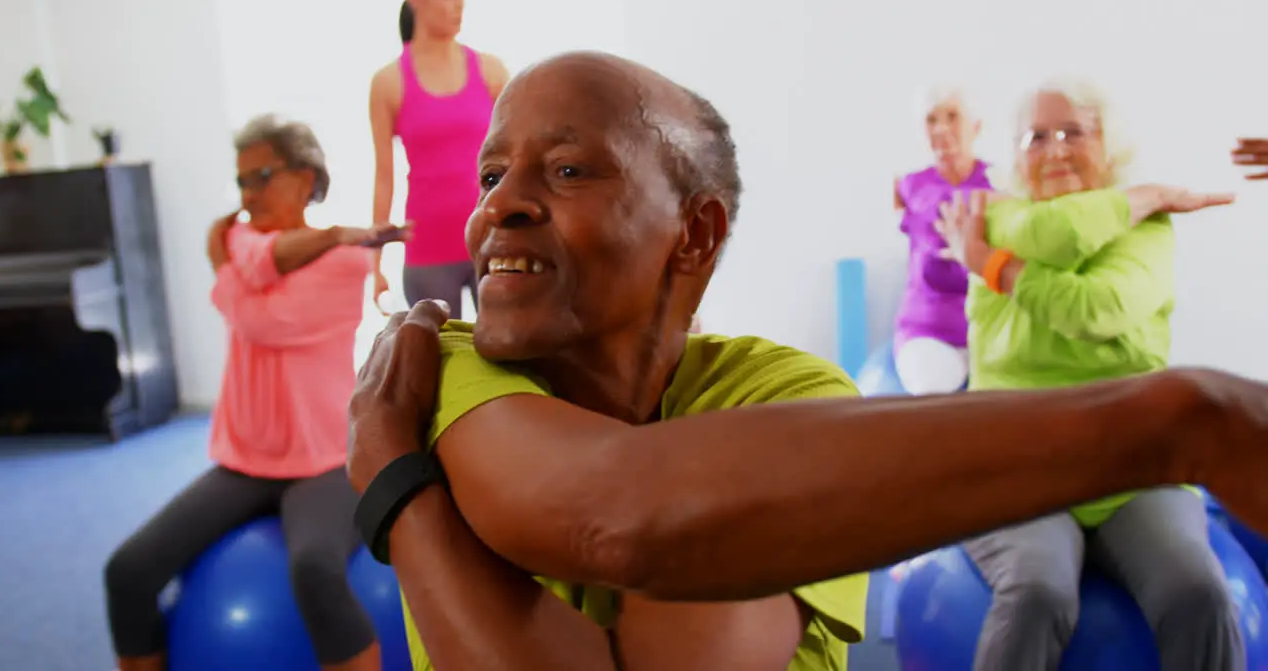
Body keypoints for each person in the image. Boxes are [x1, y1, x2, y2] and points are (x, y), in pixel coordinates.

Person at [345, 52, 1268, 671]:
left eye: (569, 169)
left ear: (693, 234)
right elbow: (616, 514)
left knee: (1192, 588)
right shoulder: (447, 357)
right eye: (489, 174)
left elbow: (627, 515)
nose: (498, 204)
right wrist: (1176, 421)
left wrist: (396, 478)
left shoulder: (787, 396)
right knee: (1034, 592)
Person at [937, 80, 1241, 670]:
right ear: (1015, 156)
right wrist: (1141, 195)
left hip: (1133, 464)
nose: (1054, 149)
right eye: (1036, 137)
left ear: (1109, 144)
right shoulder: (997, 215)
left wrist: (993, 266)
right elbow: (1063, 238)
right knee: (1038, 591)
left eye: (1074, 131)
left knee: (1198, 592)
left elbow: (1095, 311)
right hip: (1018, 463)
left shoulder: (1146, 230)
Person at [104, 115, 407, 671]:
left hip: (325, 460)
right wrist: (237, 265)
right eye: (241, 181)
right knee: (127, 572)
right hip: (244, 461)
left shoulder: (347, 260)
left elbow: (263, 322)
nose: (248, 195)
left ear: (305, 176)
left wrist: (223, 269)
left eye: (261, 176)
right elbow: (250, 275)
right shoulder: (244, 236)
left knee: (315, 572)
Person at [369, 0, 509, 317]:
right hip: (428, 249)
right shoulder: (388, 83)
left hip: (491, 239)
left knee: (511, 359)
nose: (458, 5)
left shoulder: (491, 71)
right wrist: (375, 264)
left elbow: (516, 160)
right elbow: (384, 178)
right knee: (442, 364)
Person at [892, 86, 992, 395]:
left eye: (953, 117)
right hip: (927, 331)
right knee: (930, 388)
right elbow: (935, 266)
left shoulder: (998, 183)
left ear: (975, 127)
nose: (941, 129)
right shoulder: (911, 186)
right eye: (931, 120)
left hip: (988, 330)